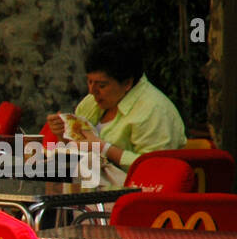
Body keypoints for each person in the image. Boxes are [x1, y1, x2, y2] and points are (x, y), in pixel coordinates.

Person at [45, 32, 186, 180]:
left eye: (102, 85)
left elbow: (156, 169)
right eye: (89, 82)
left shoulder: (154, 110)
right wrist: (64, 135)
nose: (92, 91)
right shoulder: (90, 103)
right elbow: (78, 155)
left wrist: (104, 149)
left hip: (136, 195)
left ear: (127, 83)